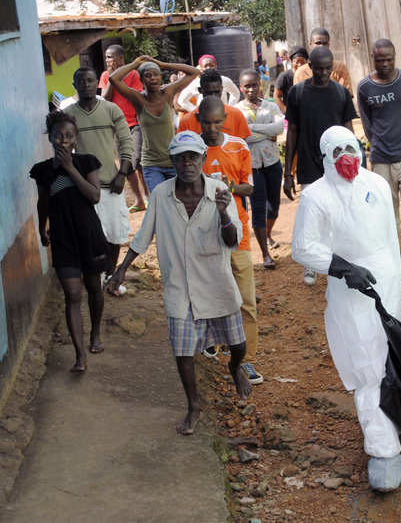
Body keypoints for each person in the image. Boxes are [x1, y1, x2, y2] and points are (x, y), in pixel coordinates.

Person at [106, 131, 252, 435]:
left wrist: (224, 212)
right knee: (183, 352)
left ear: (202, 159)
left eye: (193, 157)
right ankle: (193, 406)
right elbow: (145, 233)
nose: (187, 163)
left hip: (216, 282)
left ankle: (234, 366)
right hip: (180, 286)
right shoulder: (161, 194)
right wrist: (121, 269)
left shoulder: (219, 191)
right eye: (181, 158)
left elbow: (233, 240)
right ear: (173, 162)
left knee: (238, 344)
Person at [292, 126, 401, 492]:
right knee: (368, 367)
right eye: (337, 149)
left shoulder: (376, 184)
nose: (347, 154)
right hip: (350, 291)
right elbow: (303, 248)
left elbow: (390, 235)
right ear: (325, 155)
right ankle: (384, 449)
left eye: (352, 146)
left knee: (396, 359)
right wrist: (343, 267)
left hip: (388, 282)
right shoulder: (316, 196)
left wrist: (399, 278)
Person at [31, 111, 109, 372]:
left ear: (75, 139)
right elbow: (43, 202)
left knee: (94, 289)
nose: (63, 141)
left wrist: (69, 168)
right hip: (63, 238)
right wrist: (42, 228)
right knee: (72, 294)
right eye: (58, 136)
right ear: (50, 139)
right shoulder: (42, 171)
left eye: (68, 136)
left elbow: (94, 196)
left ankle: (96, 332)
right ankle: (80, 355)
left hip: (88, 235)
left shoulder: (87, 162)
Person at [197, 96, 262, 385]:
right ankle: (216, 344)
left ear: (225, 119)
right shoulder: (192, 149)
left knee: (246, 299)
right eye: (207, 123)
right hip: (205, 236)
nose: (212, 128)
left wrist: (227, 185)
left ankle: (247, 360)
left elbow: (249, 187)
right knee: (213, 295)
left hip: (238, 234)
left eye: (217, 122)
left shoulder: (238, 146)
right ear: (199, 121)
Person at [284, 46, 358, 286]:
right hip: (308, 163)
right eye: (319, 68)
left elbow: (349, 132)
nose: (324, 73)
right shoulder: (297, 93)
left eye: (328, 68)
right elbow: (292, 131)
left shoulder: (340, 93)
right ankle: (311, 263)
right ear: (310, 67)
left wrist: (356, 163)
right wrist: (287, 172)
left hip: (338, 165)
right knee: (311, 215)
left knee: (341, 211)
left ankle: (341, 260)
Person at [63, 67, 134, 280]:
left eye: (90, 80)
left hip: (112, 183)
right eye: (81, 81)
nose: (86, 84)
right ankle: (98, 276)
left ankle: (111, 273)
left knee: (116, 233)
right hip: (84, 187)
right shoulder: (69, 115)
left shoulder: (111, 109)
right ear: (74, 85)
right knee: (92, 235)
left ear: (98, 84)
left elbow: (126, 141)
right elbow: (65, 148)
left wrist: (122, 173)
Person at [358, 39, 401, 269]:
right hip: (381, 159)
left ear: (396, 58)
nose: (384, 64)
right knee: (386, 210)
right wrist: (378, 144)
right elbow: (366, 123)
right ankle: (395, 258)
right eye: (379, 59)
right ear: (372, 59)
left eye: (389, 59)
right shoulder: (365, 87)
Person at [109, 55, 199, 192]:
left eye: (156, 74)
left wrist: (162, 64)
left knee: (178, 202)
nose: (153, 78)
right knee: (160, 202)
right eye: (148, 75)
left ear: (161, 77)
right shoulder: (138, 99)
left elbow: (194, 72)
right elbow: (113, 79)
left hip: (173, 161)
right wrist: (135, 63)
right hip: (152, 164)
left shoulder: (168, 93)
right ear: (141, 80)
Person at [236, 69, 285, 269]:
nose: (251, 89)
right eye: (246, 86)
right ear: (241, 88)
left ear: (260, 85)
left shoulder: (270, 107)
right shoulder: (237, 110)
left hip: (272, 162)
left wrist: (253, 129)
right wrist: (267, 133)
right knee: (257, 208)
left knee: (273, 206)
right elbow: (242, 137)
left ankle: (269, 233)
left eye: (254, 85)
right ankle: (265, 254)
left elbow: (280, 128)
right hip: (251, 166)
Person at [99, 44, 148, 212]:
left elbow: (134, 95)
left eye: (111, 57)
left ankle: (149, 198)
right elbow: (105, 97)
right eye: (106, 57)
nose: (108, 60)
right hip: (117, 126)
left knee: (136, 162)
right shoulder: (106, 75)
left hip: (135, 124)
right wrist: (112, 77)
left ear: (121, 59)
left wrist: (118, 77)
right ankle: (139, 200)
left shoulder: (133, 74)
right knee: (126, 164)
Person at [178, 69, 251, 141]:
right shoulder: (187, 121)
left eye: (216, 92)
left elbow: (244, 145)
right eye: (209, 93)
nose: (213, 96)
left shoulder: (236, 115)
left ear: (222, 89)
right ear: (200, 91)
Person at [294, 28, 353, 95]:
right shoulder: (301, 73)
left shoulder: (340, 67)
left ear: (329, 45)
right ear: (310, 45)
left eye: (325, 43)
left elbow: (346, 96)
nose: (321, 46)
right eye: (318, 43)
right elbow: (298, 101)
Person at [274, 46, 308, 113]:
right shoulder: (284, 76)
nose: (300, 64)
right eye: (297, 61)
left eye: (303, 61)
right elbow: (276, 96)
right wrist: (285, 110)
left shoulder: (310, 75)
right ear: (291, 62)